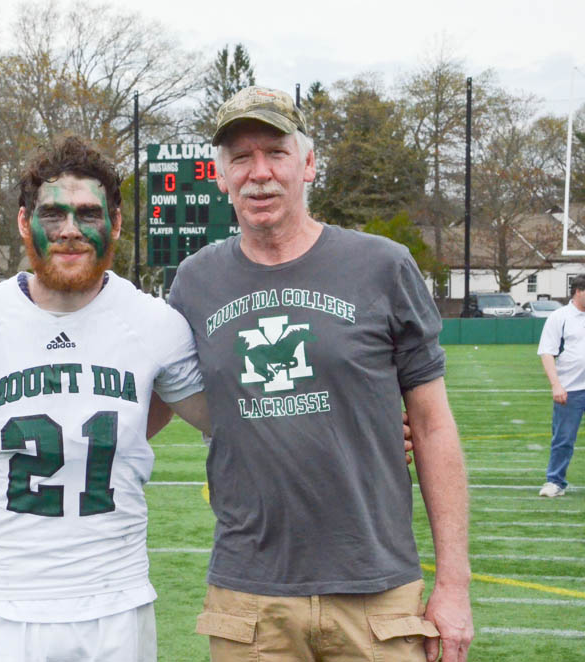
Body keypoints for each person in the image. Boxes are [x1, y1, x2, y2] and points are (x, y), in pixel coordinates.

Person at [168, 86, 474, 662]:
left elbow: (432, 427)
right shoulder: (194, 282)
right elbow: (150, 397)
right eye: (241, 157)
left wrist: (453, 587)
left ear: (308, 164)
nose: (259, 173)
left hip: (377, 591)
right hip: (249, 596)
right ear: (220, 175)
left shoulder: (382, 265)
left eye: (276, 153)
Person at [0, 136, 210, 662]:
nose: (69, 230)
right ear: (25, 223)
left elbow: (233, 421)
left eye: (88, 213)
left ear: (114, 224)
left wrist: (383, 420)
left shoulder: (155, 324)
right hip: (1, 604)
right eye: (52, 214)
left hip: (116, 603)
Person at [537, 275, 585, 497]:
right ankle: (555, 481)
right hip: (570, 389)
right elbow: (547, 352)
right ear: (578, 291)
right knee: (563, 438)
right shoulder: (560, 317)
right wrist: (556, 385)